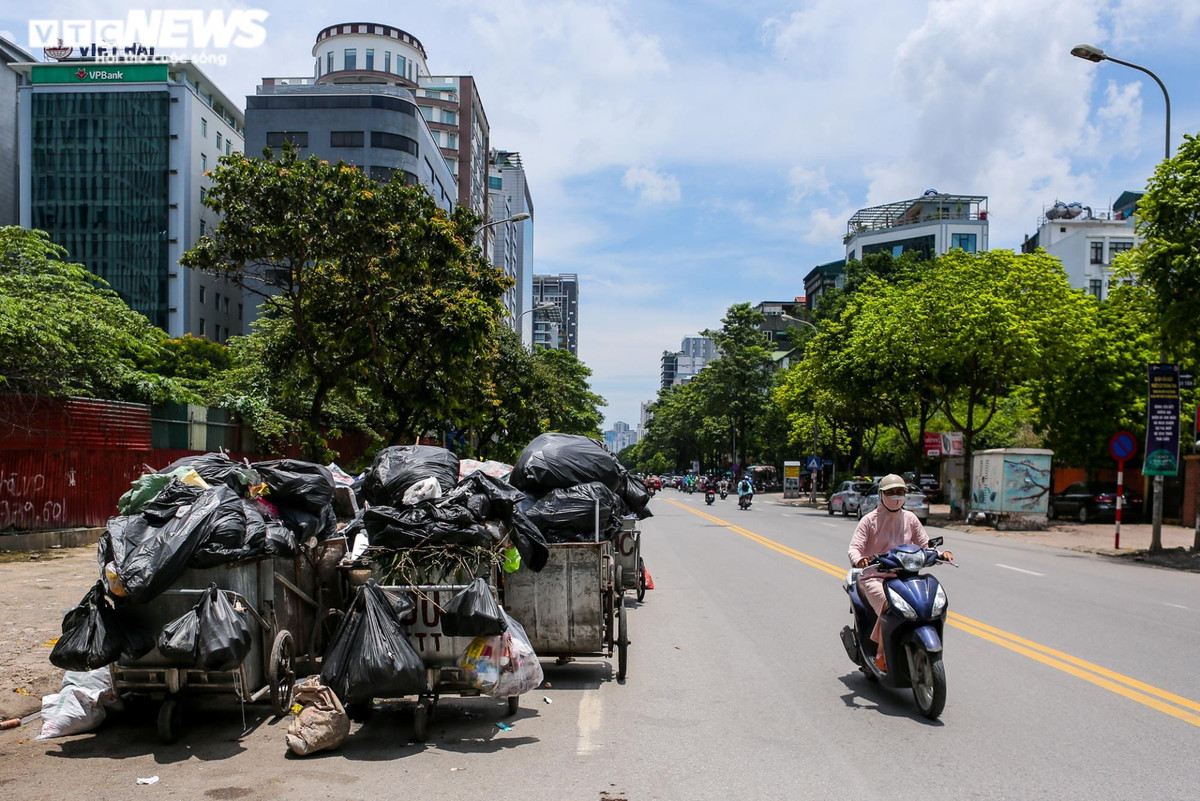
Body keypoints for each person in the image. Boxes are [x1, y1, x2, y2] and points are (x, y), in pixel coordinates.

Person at [847, 474, 953, 673]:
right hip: (874, 577)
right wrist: (860, 559)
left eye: (900, 492)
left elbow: (925, 545)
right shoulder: (869, 521)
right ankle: (881, 655)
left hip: (906, 577)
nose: (896, 496)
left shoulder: (910, 518)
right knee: (890, 607)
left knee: (925, 604)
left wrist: (941, 554)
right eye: (891, 492)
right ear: (881, 494)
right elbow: (854, 548)